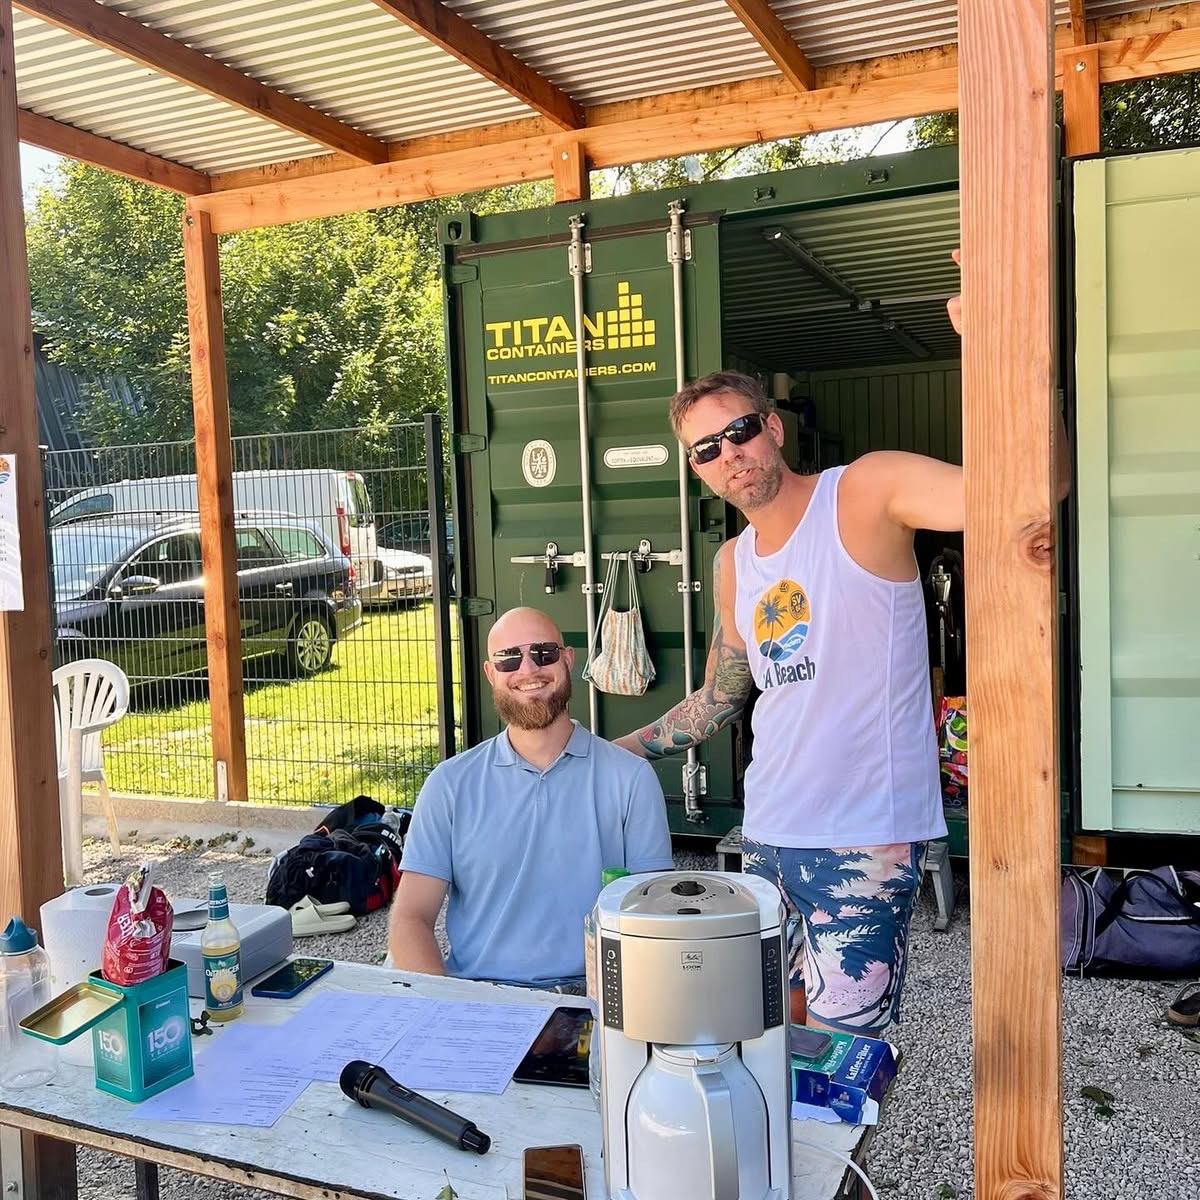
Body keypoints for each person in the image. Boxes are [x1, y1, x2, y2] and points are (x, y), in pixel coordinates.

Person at [616, 278, 1071, 1034]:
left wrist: (1008, 350)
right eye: (706, 448)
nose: (729, 453)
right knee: (757, 1039)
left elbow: (1034, 489)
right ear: (695, 468)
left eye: (741, 431)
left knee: (844, 1059)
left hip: (863, 840)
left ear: (774, 428)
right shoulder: (733, 563)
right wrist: (610, 752)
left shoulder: (865, 491)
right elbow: (721, 698)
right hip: (766, 839)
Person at [389, 606, 673, 990]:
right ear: (490, 673)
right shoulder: (450, 784)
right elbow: (411, 917)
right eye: (508, 659)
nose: (527, 670)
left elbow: (656, 920)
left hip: (597, 999)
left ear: (568, 660)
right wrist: (446, 1007)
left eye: (544, 653)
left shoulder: (632, 779)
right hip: (481, 997)